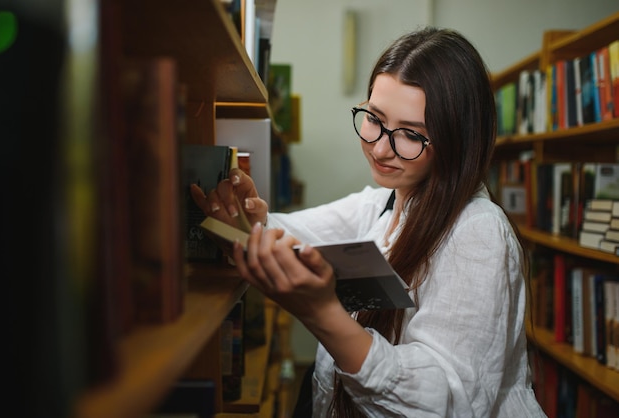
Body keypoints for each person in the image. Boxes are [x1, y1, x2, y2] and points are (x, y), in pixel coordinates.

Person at [191, 26, 546, 417]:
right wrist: (247, 220)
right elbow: (288, 234)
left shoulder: (478, 232)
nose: (379, 148)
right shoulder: (381, 204)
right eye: (374, 118)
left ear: (458, 141)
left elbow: (447, 403)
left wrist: (321, 314)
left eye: (410, 134)